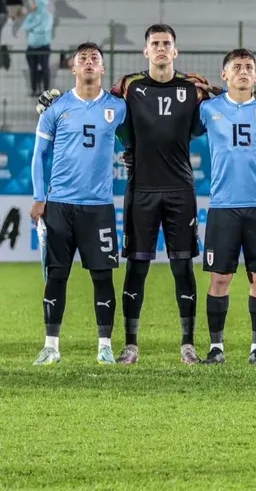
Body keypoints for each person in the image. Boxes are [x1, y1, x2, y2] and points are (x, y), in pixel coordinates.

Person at [33, 25, 218, 365]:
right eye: (155, 43)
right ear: (145, 51)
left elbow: (223, 107)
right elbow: (95, 103)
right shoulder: (128, 89)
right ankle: (129, 345)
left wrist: (248, 94)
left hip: (180, 189)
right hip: (140, 189)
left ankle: (188, 344)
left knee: (182, 267)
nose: (161, 48)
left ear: (175, 51)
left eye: (167, 44)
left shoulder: (194, 89)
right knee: (137, 266)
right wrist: (49, 100)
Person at [30, 43, 127, 366]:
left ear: (102, 69)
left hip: (98, 207)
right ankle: (51, 346)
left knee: (102, 277)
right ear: (73, 68)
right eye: (82, 59)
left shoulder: (117, 107)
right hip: (59, 205)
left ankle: (104, 346)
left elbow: (137, 139)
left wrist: (133, 155)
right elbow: (38, 156)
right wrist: (39, 197)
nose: (88, 63)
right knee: (56, 276)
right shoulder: (56, 108)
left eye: (94, 59)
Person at [197, 49, 256, 366]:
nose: (243, 71)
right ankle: (216, 348)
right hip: (223, 206)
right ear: (225, 75)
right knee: (220, 278)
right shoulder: (208, 109)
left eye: (249, 67)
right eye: (237, 67)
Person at [24, 0, 54, 97]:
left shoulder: (48, 16)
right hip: (31, 47)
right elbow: (25, 26)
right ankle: (34, 89)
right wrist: (35, 25)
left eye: (34, 2)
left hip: (43, 47)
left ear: (39, 3)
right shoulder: (31, 15)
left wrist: (33, 27)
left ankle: (46, 90)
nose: (32, 5)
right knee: (33, 69)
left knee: (45, 69)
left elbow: (44, 28)